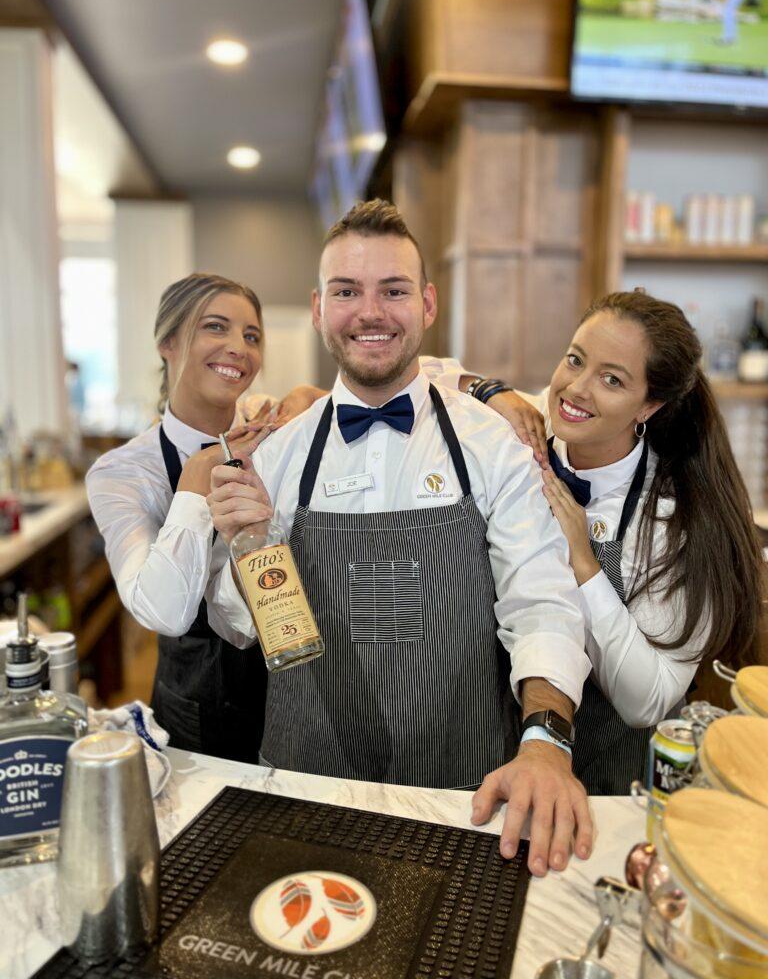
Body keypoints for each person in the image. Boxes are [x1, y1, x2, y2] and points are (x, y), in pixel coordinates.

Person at [207, 200, 595, 877]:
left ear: (427, 304)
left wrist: (544, 741)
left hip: (464, 792)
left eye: (392, 290)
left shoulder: (490, 445)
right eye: (347, 292)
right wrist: (243, 548)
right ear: (321, 308)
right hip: (307, 784)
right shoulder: (278, 454)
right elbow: (242, 628)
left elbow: (542, 603)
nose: (371, 312)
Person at [434, 290, 765, 794]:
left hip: (609, 788)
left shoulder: (679, 519)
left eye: (612, 379)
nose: (576, 389)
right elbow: (421, 372)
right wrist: (491, 390)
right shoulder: (521, 441)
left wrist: (584, 563)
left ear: (650, 405)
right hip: (489, 768)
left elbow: (647, 701)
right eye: (574, 360)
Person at [86, 273, 324, 762]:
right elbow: (164, 612)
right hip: (196, 716)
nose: (238, 347)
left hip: (300, 697)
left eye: (251, 335)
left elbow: (392, 368)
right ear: (167, 343)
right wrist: (194, 486)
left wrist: (486, 390)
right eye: (216, 327)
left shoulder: (268, 426)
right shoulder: (123, 473)